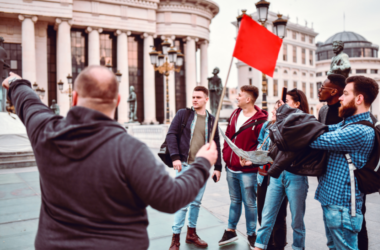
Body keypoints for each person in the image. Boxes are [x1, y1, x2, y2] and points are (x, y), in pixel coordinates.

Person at [1, 67, 218, 250]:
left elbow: (29, 104)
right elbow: (171, 198)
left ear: (75, 97)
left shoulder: (46, 132)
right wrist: (203, 163)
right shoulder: (131, 151)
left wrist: (16, 83)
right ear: (118, 101)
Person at [309, 76, 379, 250]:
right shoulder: (347, 123)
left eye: (345, 94)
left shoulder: (359, 130)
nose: (340, 97)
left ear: (359, 98)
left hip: (342, 208)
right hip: (332, 201)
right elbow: (320, 129)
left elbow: (313, 140)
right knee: (333, 246)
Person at [167, 86, 222, 250]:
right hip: (184, 164)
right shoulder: (183, 114)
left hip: (202, 168)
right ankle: (175, 238)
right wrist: (175, 157)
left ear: (206, 99)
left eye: (198, 97)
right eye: (193, 97)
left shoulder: (211, 119)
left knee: (196, 202)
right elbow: (171, 135)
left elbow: (216, 143)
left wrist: (218, 167)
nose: (195, 99)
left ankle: (191, 234)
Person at [254, 89, 310, 250]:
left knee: (297, 221)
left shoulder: (304, 122)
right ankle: (259, 246)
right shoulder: (275, 123)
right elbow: (269, 146)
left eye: (286, 101)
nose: (282, 104)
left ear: (297, 104)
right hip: (277, 174)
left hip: (296, 176)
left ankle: (298, 247)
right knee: (267, 215)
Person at [219, 85, 268, 249]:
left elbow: (263, 147)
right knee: (234, 201)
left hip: (248, 171)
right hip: (231, 168)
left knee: (250, 203)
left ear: (248, 99)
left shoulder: (261, 121)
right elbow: (227, 135)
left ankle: (251, 234)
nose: (236, 97)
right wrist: (226, 155)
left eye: (239, 95)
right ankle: (230, 230)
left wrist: (250, 160)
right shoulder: (234, 113)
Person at [254, 102, 288, 250]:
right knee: (262, 212)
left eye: (278, 110)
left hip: (279, 176)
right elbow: (260, 143)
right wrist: (255, 154)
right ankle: (266, 244)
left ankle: (278, 245)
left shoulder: (287, 128)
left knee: (279, 216)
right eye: (274, 109)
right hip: (263, 175)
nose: (273, 112)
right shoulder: (266, 126)